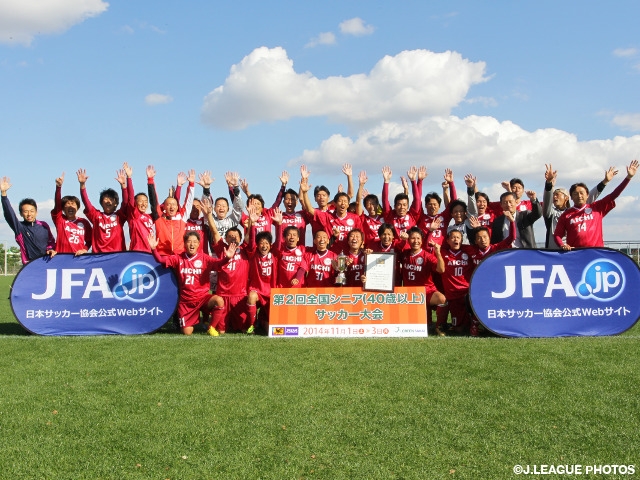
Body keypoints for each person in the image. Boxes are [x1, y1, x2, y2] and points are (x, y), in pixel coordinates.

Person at [149, 230, 236, 335]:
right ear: (185, 243)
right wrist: (153, 249)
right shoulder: (178, 258)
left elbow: (218, 264)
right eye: (189, 241)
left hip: (202, 298)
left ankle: (211, 327)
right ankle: (199, 320)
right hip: (186, 302)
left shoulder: (204, 258)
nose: (192, 244)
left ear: (199, 244)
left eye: (195, 242)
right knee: (187, 333)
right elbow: (161, 261)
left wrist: (227, 258)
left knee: (219, 300)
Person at [554, 159, 638, 249]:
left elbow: (614, 194)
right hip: (576, 254)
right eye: (575, 194)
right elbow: (557, 235)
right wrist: (562, 245)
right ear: (571, 197)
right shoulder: (566, 215)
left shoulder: (597, 208)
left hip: (596, 253)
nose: (579, 196)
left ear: (587, 195)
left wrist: (628, 178)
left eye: (582, 193)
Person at [544, 164, 616, 249]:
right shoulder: (552, 214)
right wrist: (549, 184)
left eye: (557, 194)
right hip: (555, 253)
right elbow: (547, 202)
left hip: (573, 251)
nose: (554, 197)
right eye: (553, 195)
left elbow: (591, 195)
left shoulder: (577, 210)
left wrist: (604, 182)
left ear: (567, 198)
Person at [399, 227, 446, 333]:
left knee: (442, 299)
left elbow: (441, 270)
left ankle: (439, 326)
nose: (416, 241)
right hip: (410, 293)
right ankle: (427, 322)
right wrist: (401, 239)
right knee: (414, 325)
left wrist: (438, 253)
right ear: (408, 240)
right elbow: (395, 250)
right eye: (412, 238)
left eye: (418, 238)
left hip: (427, 291)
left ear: (422, 240)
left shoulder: (427, 256)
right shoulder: (404, 254)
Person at [1, 176, 56, 263]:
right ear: (21, 214)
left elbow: (51, 241)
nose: (29, 214)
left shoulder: (44, 225)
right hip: (29, 265)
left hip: (46, 264)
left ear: (36, 212)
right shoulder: (20, 227)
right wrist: (4, 194)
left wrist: (51, 249)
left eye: (32, 211)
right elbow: (9, 214)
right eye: (26, 211)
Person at [77, 167, 128, 253]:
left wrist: (123, 186)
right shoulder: (96, 215)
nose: (108, 201)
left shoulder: (119, 216)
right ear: (101, 202)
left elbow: (126, 202)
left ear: (116, 203)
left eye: (111, 199)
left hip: (117, 256)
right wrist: (82, 185)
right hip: (98, 257)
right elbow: (86, 202)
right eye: (106, 199)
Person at [51, 172, 92, 255]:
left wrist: (84, 250)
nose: (70, 206)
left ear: (77, 208)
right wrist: (58, 187)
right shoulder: (60, 220)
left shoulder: (84, 222)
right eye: (67, 204)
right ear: (62, 208)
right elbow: (57, 204)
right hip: (61, 257)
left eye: (73, 204)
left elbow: (90, 240)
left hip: (78, 259)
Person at [125, 164, 156, 252]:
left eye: (146, 201)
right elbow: (130, 197)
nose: (144, 204)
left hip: (151, 253)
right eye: (141, 201)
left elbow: (157, 205)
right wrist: (129, 178)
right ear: (135, 203)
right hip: (137, 252)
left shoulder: (150, 217)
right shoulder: (134, 215)